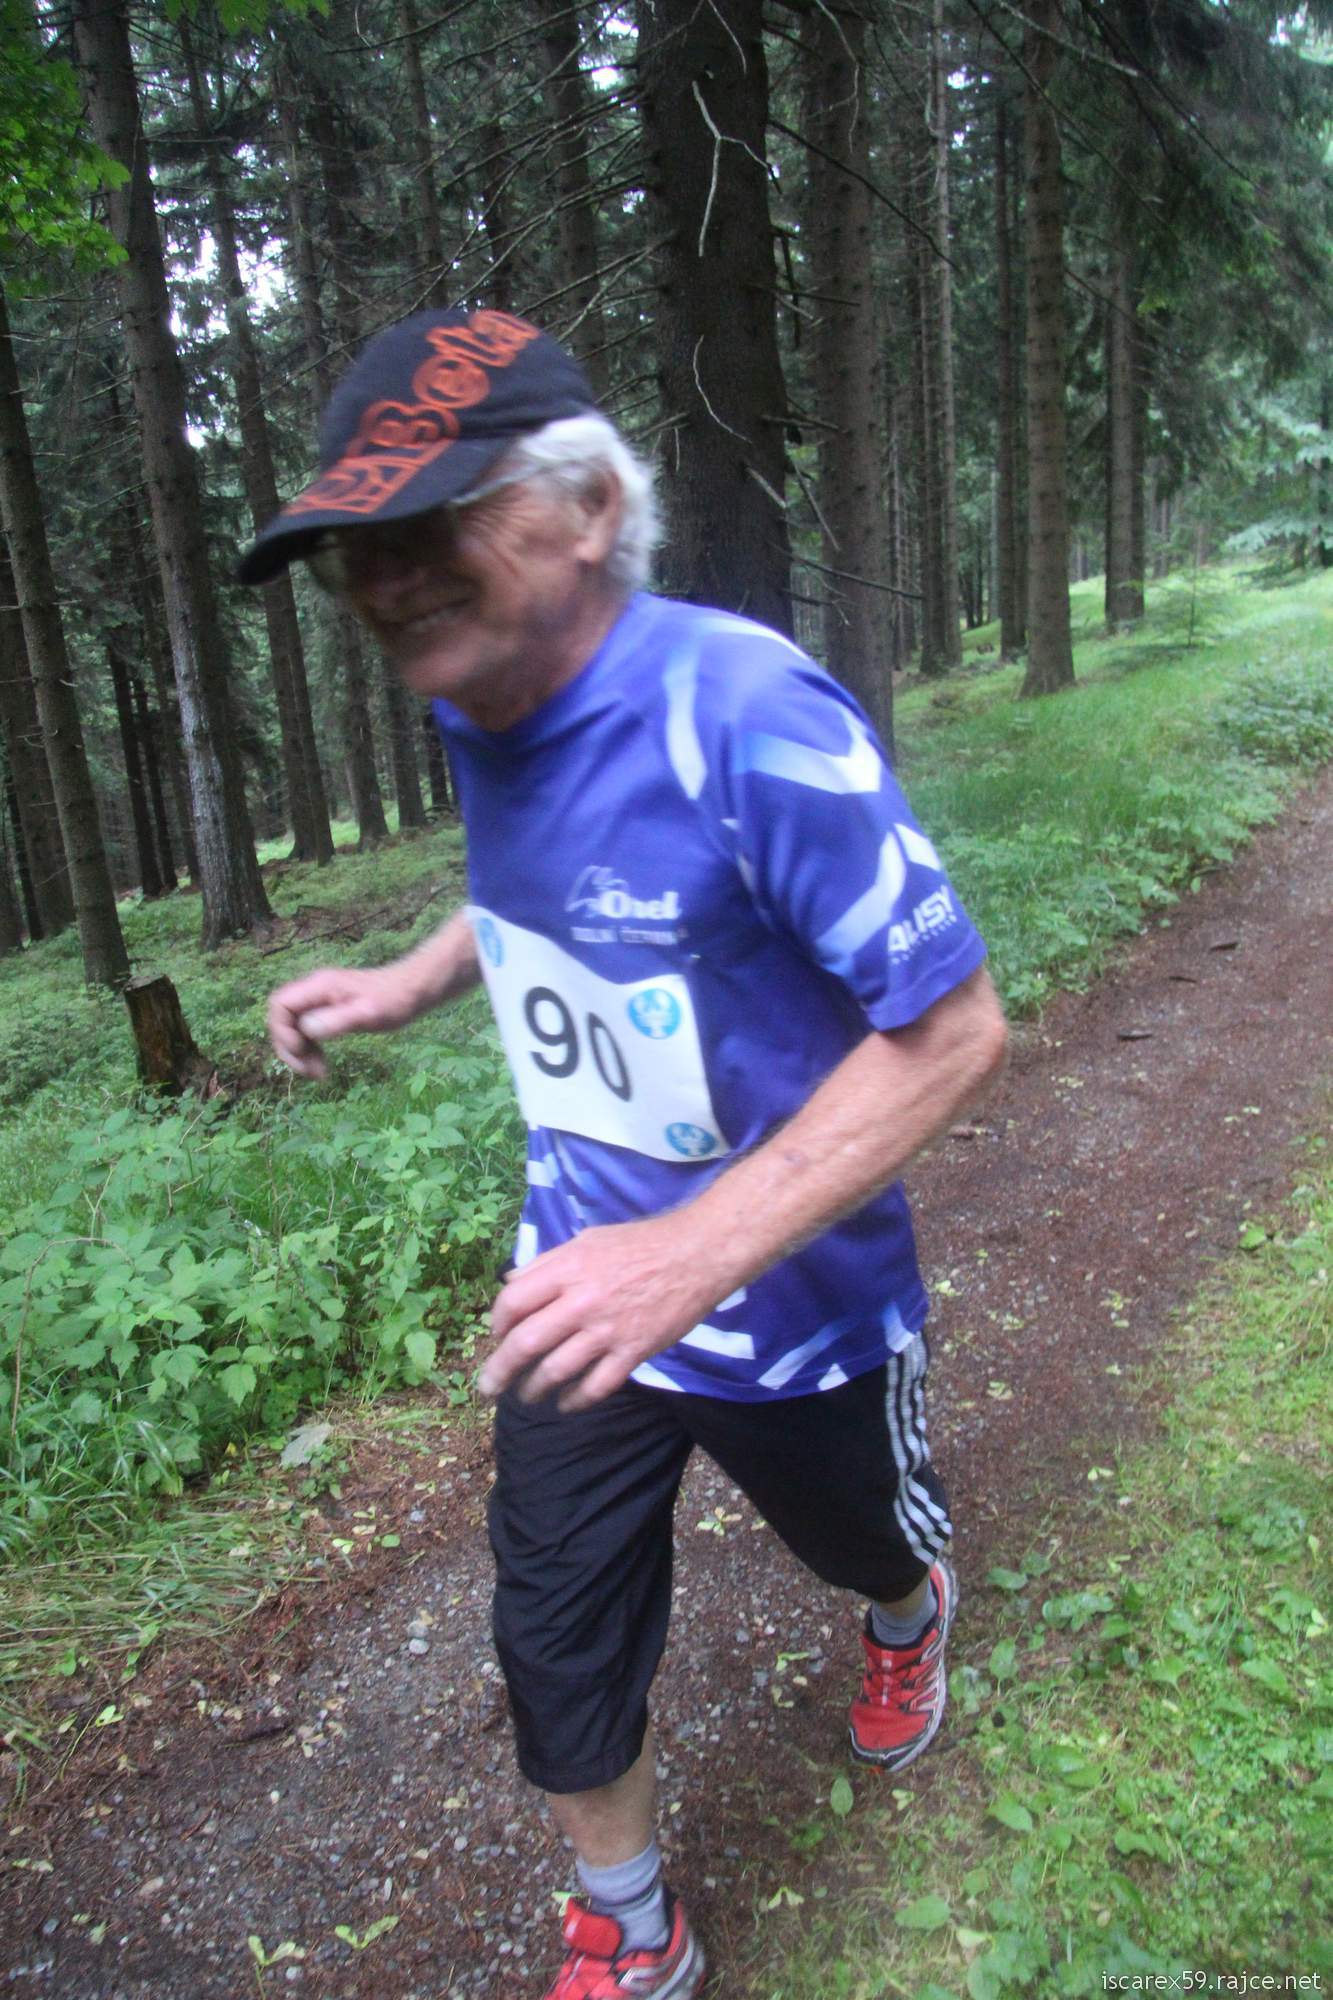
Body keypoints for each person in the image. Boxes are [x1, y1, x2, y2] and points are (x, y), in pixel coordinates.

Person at [243, 307, 1007, 2000]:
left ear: (589, 508)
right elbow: (550, 886)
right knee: (553, 1616)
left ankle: (907, 1609)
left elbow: (954, 1032)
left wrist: (692, 1254)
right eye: (356, 548)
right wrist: (412, 977)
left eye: (432, 523)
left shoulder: (742, 710)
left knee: (861, 1541)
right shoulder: (481, 690)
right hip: (581, 1275)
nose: (386, 581)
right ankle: (628, 1917)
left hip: (791, 1301)